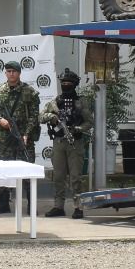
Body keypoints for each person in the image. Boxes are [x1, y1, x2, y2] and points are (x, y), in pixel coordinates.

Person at [0, 60, 40, 215]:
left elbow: (34, 116)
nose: (11, 74)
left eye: (14, 71)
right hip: (6, 137)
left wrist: (26, 134)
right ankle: (3, 203)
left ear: (19, 73)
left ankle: (31, 205)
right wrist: (0, 120)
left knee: (28, 171)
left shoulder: (29, 92)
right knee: (4, 170)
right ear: (5, 73)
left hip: (23, 137)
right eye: (8, 71)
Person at [41, 67, 95, 219]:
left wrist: (78, 128)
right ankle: (58, 206)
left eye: (69, 83)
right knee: (58, 176)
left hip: (75, 143)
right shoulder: (55, 102)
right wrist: (52, 117)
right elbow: (41, 116)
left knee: (76, 177)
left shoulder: (81, 102)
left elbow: (89, 122)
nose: (65, 85)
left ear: (74, 84)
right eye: (63, 82)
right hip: (59, 142)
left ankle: (78, 207)